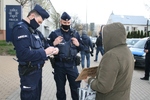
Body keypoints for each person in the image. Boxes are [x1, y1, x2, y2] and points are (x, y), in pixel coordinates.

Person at [11, 4, 59, 100]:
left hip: (37, 71)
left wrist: (54, 49)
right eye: (39, 22)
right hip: (28, 73)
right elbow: (23, 54)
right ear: (32, 16)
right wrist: (45, 53)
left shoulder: (36, 32)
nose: (39, 24)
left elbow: (45, 45)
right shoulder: (20, 29)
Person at [85, 22, 134, 100]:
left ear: (109, 37)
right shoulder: (127, 51)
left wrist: (89, 80)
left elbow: (103, 86)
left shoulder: (111, 55)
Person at [47, 12, 84, 100]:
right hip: (59, 65)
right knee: (60, 90)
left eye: (68, 23)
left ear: (70, 22)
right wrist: (53, 43)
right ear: (61, 22)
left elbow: (82, 48)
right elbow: (46, 47)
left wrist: (78, 44)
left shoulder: (75, 34)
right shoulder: (54, 33)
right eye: (64, 23)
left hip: (72, 65)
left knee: (76, 89)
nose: (66, 24)